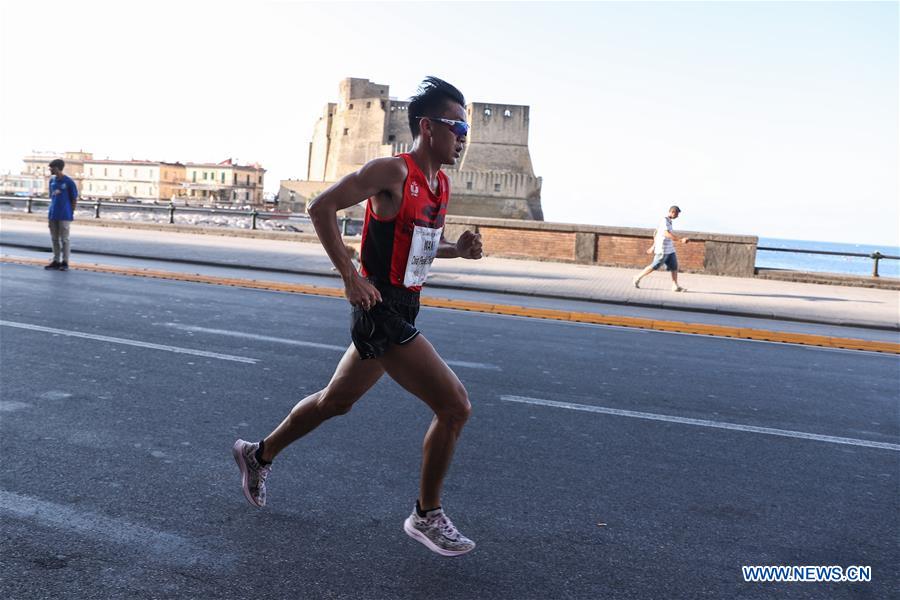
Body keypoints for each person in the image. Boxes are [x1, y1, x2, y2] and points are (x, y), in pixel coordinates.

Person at [233, 77, 483, 557]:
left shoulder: (441, 185)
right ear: (428, 127)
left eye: (466, 129)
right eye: (457, 126)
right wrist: (350, 276)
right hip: (377, 308)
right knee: (455, 407)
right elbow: (320, 207)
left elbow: (418, 246)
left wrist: (459, 250)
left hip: (404, 305)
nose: (463, 137)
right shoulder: (391, 171)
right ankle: (426, 514)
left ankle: (257, 454)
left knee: (335, 402)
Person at [633, 205, 689, 291]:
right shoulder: (664, 221)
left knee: (674, 266)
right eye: (677, 214)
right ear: (672, 212)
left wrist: (652, 246)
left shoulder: (669, 221)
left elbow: (656, 233)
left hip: (670, 249)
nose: (678, 216)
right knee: (654, 266)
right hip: (663, 250)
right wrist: (680, 240)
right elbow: (666, 234)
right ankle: (637, 277)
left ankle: (675, 286)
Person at [45, 158, 78, 271]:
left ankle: (65, 262)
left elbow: (74, 199)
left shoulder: (69, 182)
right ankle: (56, 260)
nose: (50, 170)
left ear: (57, 168)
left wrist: (71, 212)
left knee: (64, 239)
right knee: (54, 239)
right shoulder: (52, 181)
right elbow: (52, 196)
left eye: (51, 168)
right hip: (53, 214)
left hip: (64, 215)